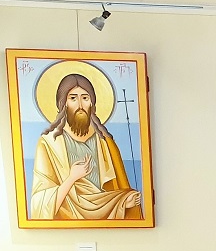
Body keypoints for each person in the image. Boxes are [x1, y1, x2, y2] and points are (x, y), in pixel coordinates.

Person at [30, 73, 142, 220]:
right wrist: (72, 178)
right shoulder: (48, 144)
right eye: (73, 98)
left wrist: (123, 201)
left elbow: (116, 190)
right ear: (63, 104)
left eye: (85, 98)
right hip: (66, 221)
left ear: (92, 104)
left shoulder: (105, 143)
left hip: (107, 218)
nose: (80, 105)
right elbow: (39, 203)